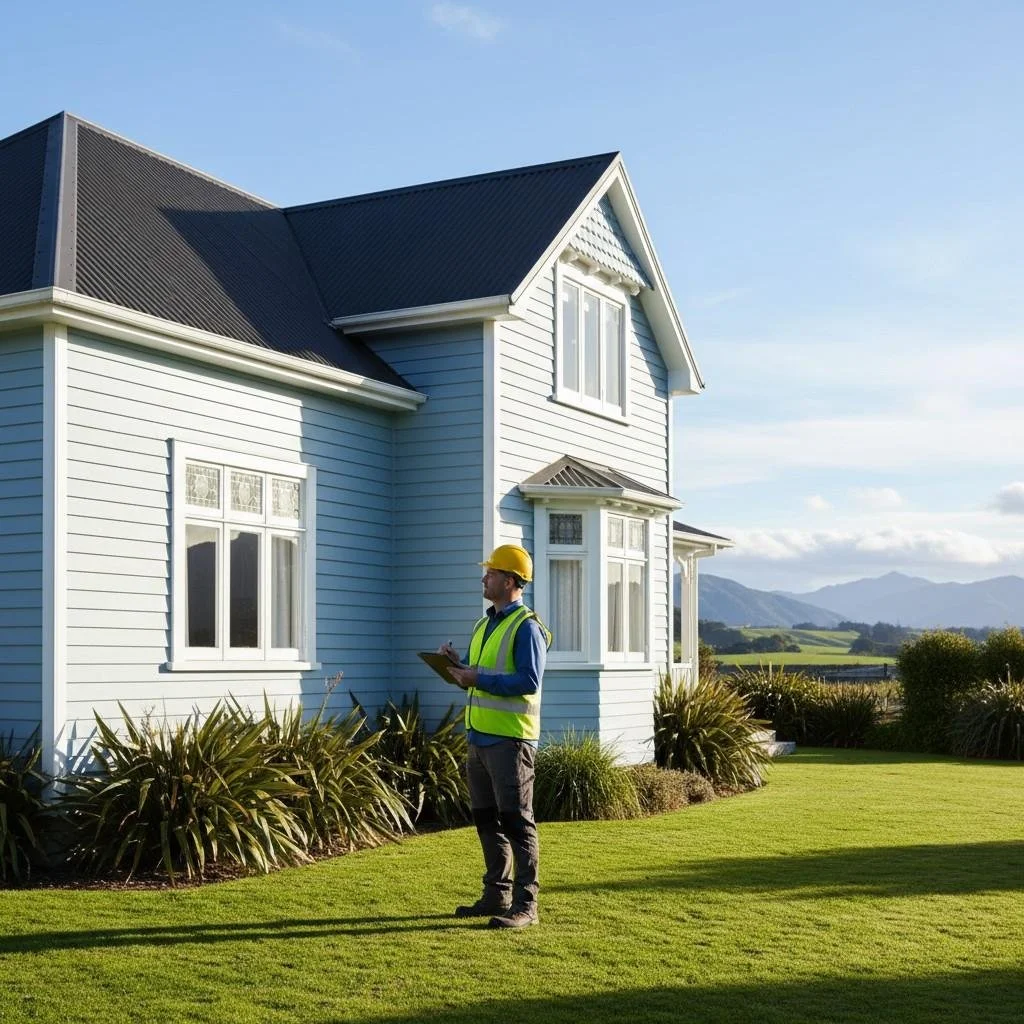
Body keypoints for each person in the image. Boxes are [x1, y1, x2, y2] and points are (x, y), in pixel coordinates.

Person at [439, 543, 551, 929]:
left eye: (490, 573)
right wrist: (458, 668)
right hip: (479, 738)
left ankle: (526, 906)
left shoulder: (528, 628)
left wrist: (478, 678)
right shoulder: (484, 624)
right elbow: (480, 678)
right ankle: (496, 895)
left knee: (518, 823)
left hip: (511, 742)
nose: (483, 578)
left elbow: (528, 680)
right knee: (487, 821)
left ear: (509, 581)